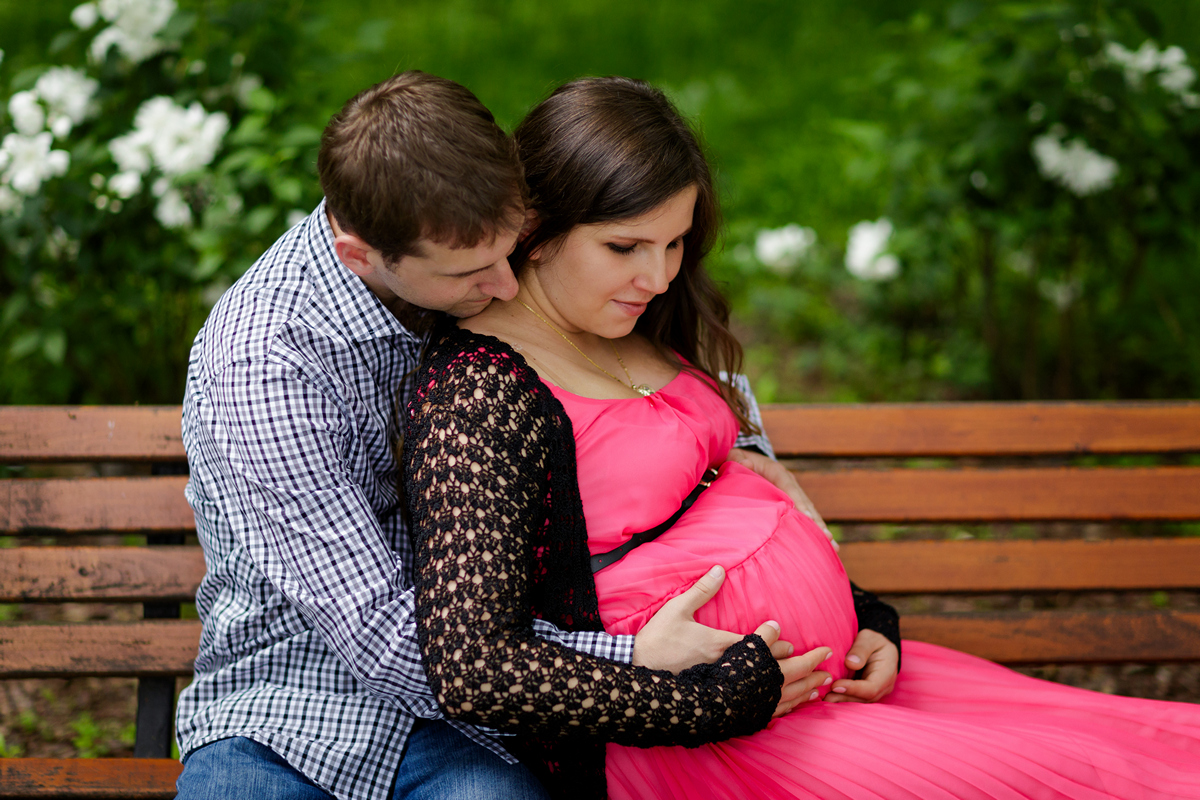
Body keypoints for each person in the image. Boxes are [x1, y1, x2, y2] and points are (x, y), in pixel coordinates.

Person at [401, 76, 1200, 800]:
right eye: (625, 247)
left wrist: (864, 616)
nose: (660, 276)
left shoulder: (629, 316)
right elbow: (476, 668)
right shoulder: (479, 390)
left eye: (675, 243)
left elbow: (728, 498)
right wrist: (705, 703)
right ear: (537, 229)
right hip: (699, 736)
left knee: (1132, 751)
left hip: (827, 686)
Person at [174, 71, 880, 800]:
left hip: (484, 721)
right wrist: (640, 662)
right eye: (476, 272)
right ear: (361, 256)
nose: (509, 286)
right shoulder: (266, 368)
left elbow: (636, 346)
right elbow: (388, 642)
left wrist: (747, 451)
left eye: (510, 249)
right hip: (294, 713)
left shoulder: (447, 208)